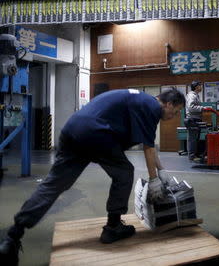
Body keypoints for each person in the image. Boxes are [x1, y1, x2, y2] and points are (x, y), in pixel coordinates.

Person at [0, 88, 185, 265]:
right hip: (96, 134)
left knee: (54, 184)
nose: (174, 116)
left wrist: (161, 170)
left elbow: (149, 145)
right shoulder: (152, 108)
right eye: (176, 112)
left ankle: (13, 235)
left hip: (73, 131)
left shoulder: (142, 101)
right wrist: (154, 180)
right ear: (168, 104)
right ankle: (113, 227)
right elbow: (149, 147)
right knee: (124, 172)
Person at [185, 81, 212, 163]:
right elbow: (191, 107)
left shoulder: (196, 95)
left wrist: (202, 108)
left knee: (195, 138)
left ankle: (195, 155)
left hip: (196, 119)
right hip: (192, 119)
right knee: (192, 139)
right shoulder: (191, 95)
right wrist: (202, 108)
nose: (201, 87)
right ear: (196, 87)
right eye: (200, 86)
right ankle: (192, 156)